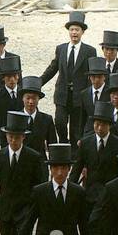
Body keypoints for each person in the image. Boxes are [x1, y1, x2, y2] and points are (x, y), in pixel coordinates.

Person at [38, 11, 97, 143]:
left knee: (76, 130)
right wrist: (38, 82)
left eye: (77, 30)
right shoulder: (61, 49)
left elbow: (92, 74)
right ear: (68, 31)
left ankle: (75, 154)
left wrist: (89, 93)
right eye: (71, 30)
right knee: (60, 122)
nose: (74, 33)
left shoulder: (89, 51)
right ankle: (63, 145)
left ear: (82, 32)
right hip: (62, 95)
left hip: (79, 97)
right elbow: (52, 68)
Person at [17, 76, 59, 155]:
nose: (31, 101)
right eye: (28, 98)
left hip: (40, 163)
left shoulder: (47, 119)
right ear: (22, 98)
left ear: (38, 99)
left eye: (34, 98)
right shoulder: (17, 118)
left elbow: (52, 145)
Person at [74, 58, 110, 140]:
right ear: (89, 77)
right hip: (88, 133)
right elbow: (82, 118)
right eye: (93, 77)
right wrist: (80, 137)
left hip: (105, 132)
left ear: (104, 77)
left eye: (99, 77)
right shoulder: (84, 93)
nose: (96, 80)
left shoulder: (110, 93)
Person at [0, 55, 25, 126]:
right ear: (3, 78)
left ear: (18, 76)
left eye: (14, 76)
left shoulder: (24, 94)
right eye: (9, 76)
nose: (12, 79)